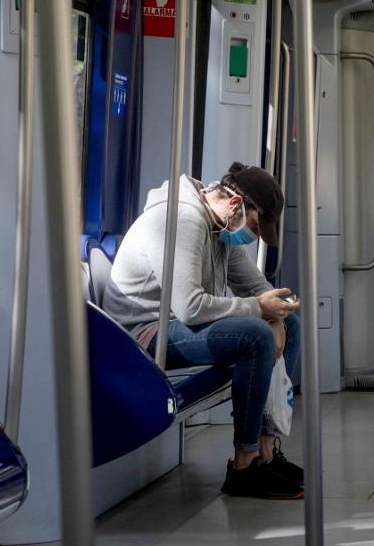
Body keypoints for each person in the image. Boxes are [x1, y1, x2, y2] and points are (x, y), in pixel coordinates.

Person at [103, 162, 304, 500]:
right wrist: (260, 312)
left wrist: (277, 316)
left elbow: (258, 287)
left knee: (291, 325)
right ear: (237, 205)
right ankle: (244, 464)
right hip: (142, 335)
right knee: (254, 337)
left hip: (177, 326)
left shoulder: (219, 228)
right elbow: (190, 306)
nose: (253, 236)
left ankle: (266, 453)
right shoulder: (182, 221)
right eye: (255, 226)